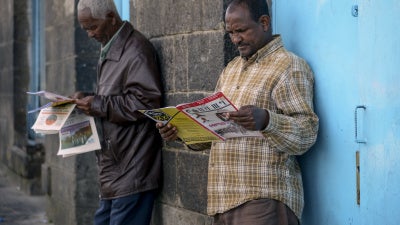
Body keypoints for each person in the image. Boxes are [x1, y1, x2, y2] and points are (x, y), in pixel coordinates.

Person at [157, 0, 319, 224]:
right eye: (230, 32)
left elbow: (307, 132)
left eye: (241, 30)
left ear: (264, 23)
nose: (235, 39)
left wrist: (267, 120)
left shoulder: (288, 66)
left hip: (262, 200)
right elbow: (216, 131)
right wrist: (181, 132)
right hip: (222, 199)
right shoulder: (231, 69)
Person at [73, 0, 163, 224]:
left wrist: (98, 105)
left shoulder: (135, 49)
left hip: (132, 167)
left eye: (93, 27)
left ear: (111, 18)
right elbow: (116, 94)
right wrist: (87, 98)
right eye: (85, 29)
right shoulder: (112, 45)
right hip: (115, 167)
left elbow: (147, 103)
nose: (90, 35)